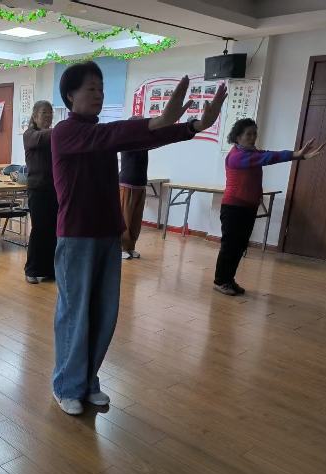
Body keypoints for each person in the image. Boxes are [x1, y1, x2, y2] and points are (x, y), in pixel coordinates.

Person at [51, 62, 227, 415]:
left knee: (104, 314)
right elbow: (117, 134)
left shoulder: (100, 132)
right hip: (77, 236)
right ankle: (67, 385)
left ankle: (88, 382)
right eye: (90, 88)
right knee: (75, 314)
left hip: (107, 234)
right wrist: (158, 120)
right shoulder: (65, 132)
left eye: (101, 88)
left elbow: (136, 138)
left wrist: (192, 127)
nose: (99, 94)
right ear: (70, 95)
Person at [214, 118, 324, 295]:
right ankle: (220, 281)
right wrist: (296, 154)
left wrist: (299, 155)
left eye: (254, 134)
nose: (253, 137)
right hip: (234, 208)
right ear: (237, 137)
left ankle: (228, 279)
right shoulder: (237, 157)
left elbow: (266, 155)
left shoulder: (251, 152)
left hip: (247, 207)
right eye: (248, 134)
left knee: (240, 246)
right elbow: (268, 157)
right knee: (230, 246)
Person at [23, 100, 57, 283]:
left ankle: (50, 269)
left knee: (54, 230)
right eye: (44, 113)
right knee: (40, 229)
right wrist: (64, 130)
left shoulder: (52, 136)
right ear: (35, 116)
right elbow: (41, 138)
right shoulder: (30, 134)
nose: (48, 116)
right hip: (37, 189)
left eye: (50, 113)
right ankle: (32, 269)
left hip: (54, 188)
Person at [119, 116, 149, 260]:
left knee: (136, 220)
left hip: (141, 184)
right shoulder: (127, 140)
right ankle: (122, 248)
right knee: (125, 219)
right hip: (127, 184)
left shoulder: (145, 141)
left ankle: (131, 247)